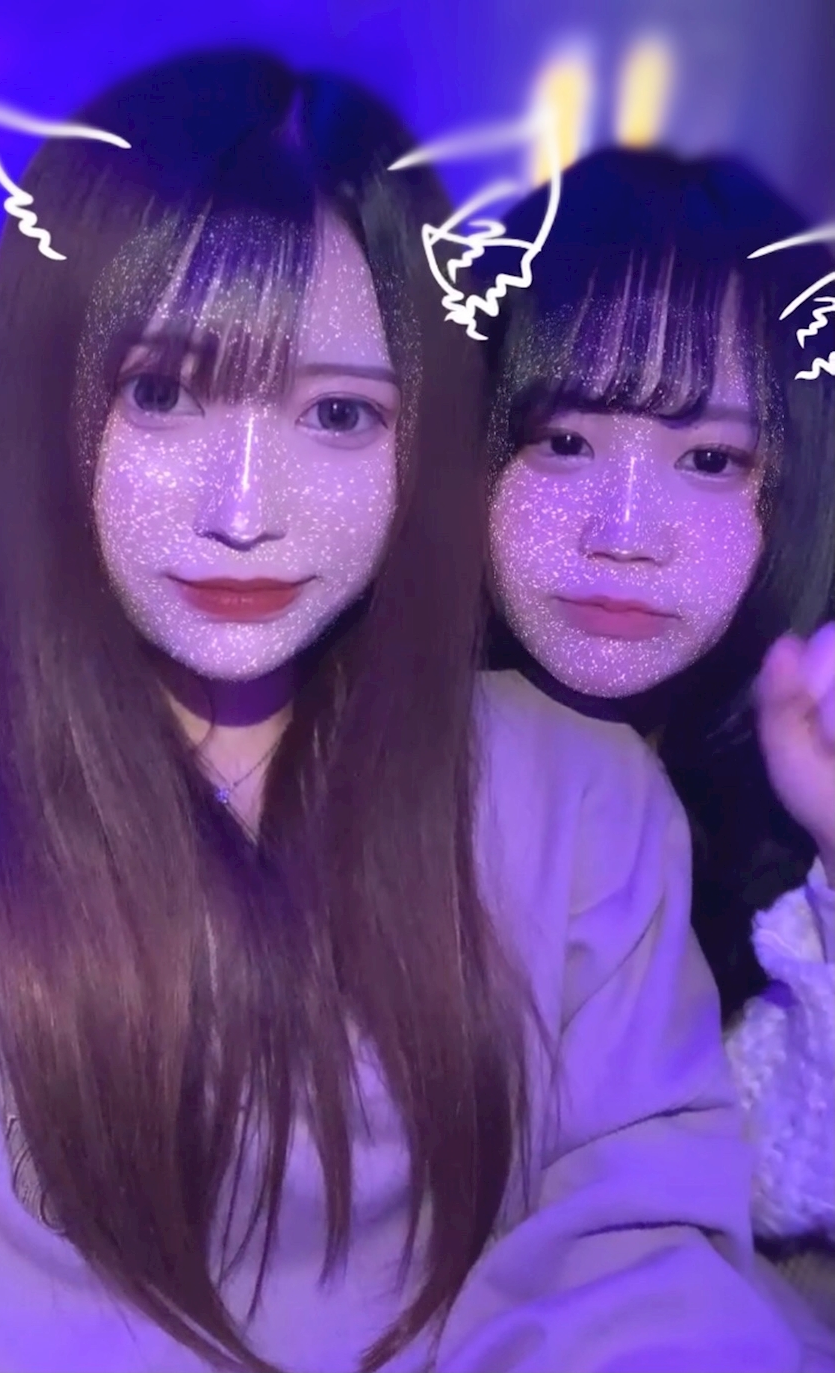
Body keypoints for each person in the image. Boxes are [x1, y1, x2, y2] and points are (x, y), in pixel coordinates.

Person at [0, 51, 824, 1372]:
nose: (245, 509)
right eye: (163, 391)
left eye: (337, 412)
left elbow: (645, 1245)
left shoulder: (582, 796)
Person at [485, 146, 835, 1327]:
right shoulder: (345, 742)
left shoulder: (787, 780)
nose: (625, 531)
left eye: (711, 459)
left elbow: (768, 1186)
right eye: (564, 442)